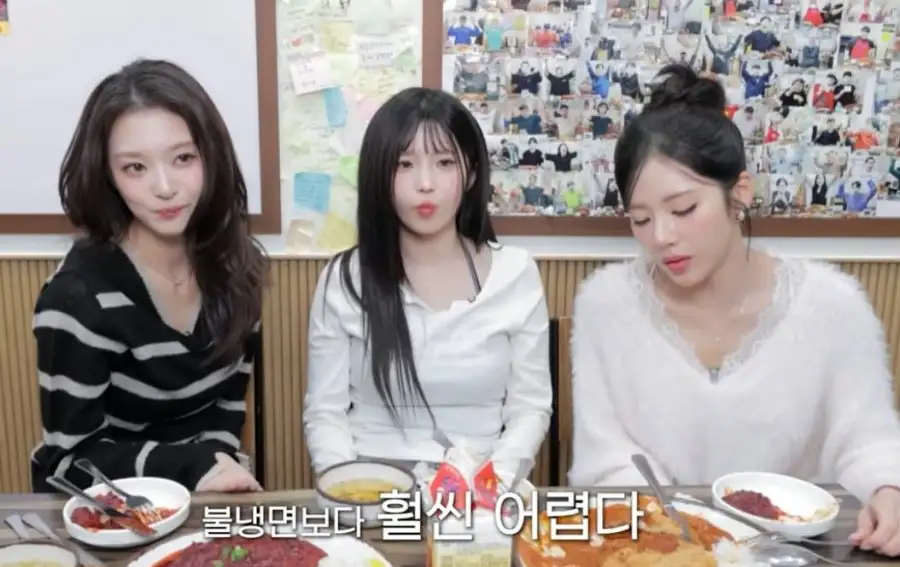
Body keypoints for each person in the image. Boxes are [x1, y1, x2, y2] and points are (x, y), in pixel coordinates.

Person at [569, 64, 900, 557]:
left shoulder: (832, 306)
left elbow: (869, 441)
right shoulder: (606, 306)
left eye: (683, 210)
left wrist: (888, 490)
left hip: (796, 552)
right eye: (640, 219)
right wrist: (682, 538)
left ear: (739, 194)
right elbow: (605, 459)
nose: (661, 237)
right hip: (658, 550)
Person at [31, 60, 266, 494]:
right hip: (110, 507)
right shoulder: (77, 298)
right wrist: (192, 467)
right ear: (108, 176)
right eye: (135, 168)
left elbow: (229, 404)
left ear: (212, 156)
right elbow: (69, 461)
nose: (164, 187)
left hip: (200, 490)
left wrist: (217, 467)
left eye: (183, 158)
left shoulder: (237, 266)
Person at [303, 87, 552, 477]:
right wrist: (347, 488)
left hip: (480, 488)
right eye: (404, 164)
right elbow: (325, 414)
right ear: (378, 174)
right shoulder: (344, 279)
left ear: (471, 173)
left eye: (444, 162)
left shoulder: (515, 274)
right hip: (371, 487)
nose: (425, 183)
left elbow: (530, 409)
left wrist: (493, 486)